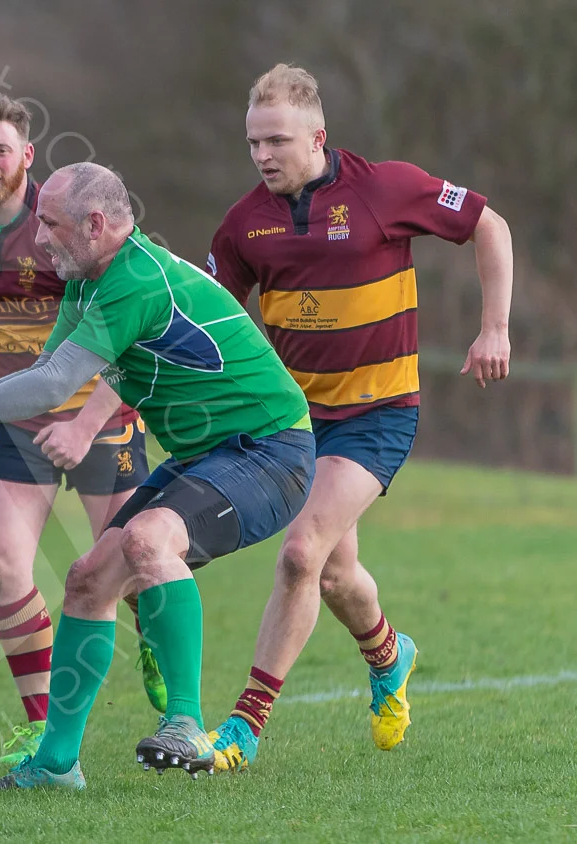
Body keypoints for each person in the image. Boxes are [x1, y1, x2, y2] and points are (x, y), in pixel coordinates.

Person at [0, 163, 315, 791]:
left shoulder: (134, 280)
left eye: (50, 224)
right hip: (206, 454)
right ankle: (55, 765)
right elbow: (44, 377)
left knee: (148, 540)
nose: (39, 238)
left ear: (95, 224)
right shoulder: (87, 282)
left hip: (270, 450)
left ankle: (185, 725)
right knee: (88, 581)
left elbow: (53, 385)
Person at [203, 64, 513, 770]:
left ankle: (245, 726)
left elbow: (488, 225)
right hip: (295, 425)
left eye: (277, 141)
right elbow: (205, 317)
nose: (262, 155)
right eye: (253, 142)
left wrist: (494, 327)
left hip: (377, 415)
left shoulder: (385, 188)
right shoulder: (244, 223)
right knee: (336, 575)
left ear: (318, 137)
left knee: (300, 554)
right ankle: (389, 655)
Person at [0, 94, 161, 769]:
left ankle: (162, 659)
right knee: (2, 565)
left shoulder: (67, 225)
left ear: (27, 155)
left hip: (101, 419)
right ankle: (46, 733)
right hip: (12, 426)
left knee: (135, 570)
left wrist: (87, 421)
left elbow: (133, 329)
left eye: (1, 149)